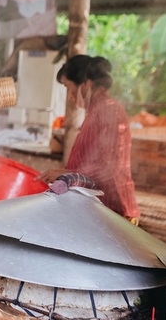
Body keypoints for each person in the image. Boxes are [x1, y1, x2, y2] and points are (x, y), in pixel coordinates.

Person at [36, 55, 140, 223]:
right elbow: (94, 161)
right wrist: (64, 172)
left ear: (86, 84)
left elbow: (109, 168)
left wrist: (68, 174)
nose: (69, 95)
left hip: (115, 209)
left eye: (69, 87)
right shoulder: (96, 110)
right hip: (100, 206)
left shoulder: (109, 110)